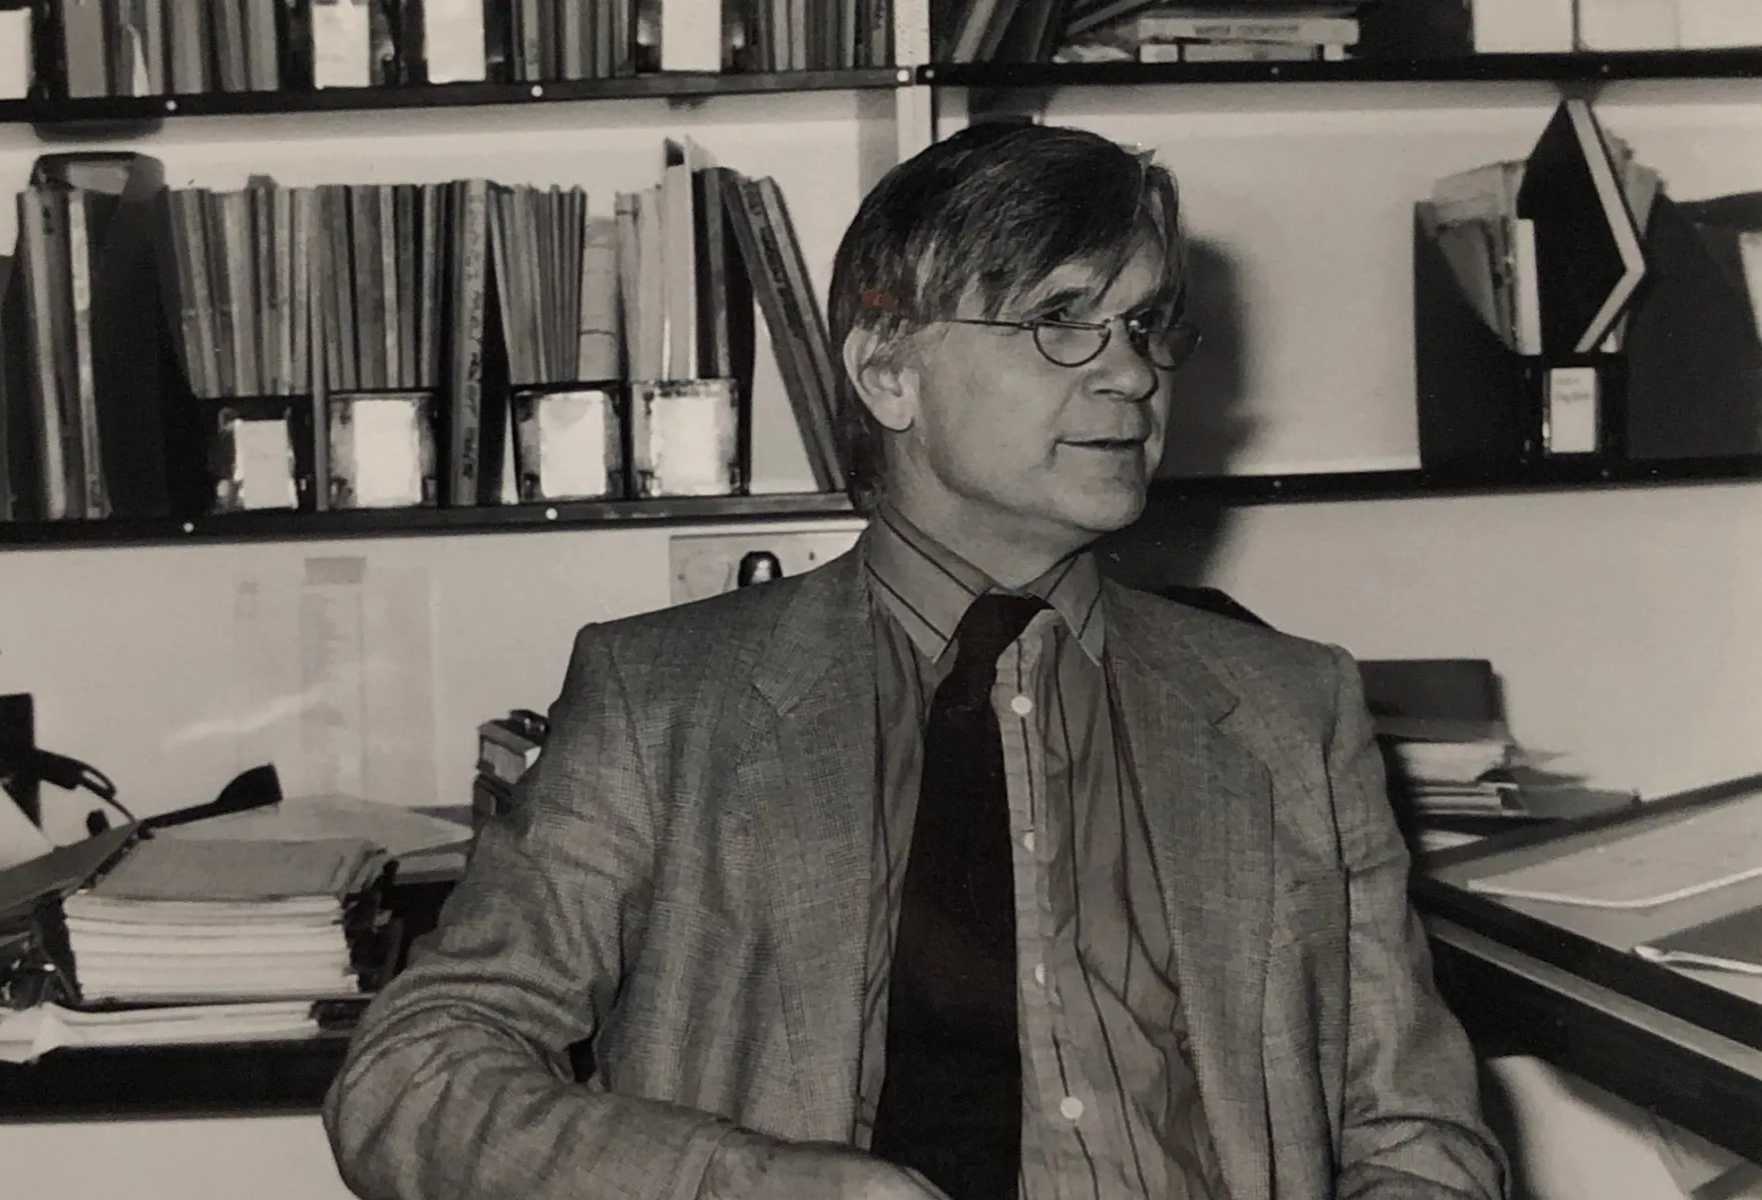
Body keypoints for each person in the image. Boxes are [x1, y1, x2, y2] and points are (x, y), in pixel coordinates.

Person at [323, 120, 1508, 1200]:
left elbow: (1418, 1140)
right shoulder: (662, 703)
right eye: (1060, 318)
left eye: (1147, 325)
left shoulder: (1291, 709)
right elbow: (412, 1074)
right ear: (888, 370)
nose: (1133, 374)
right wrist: (746, 1187)